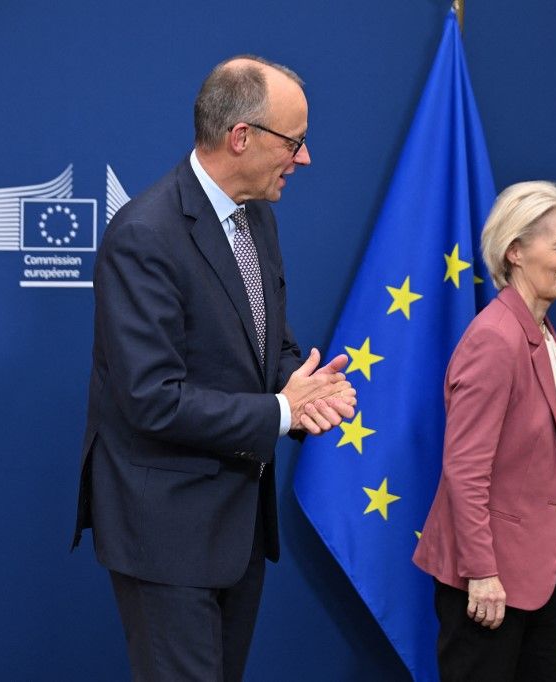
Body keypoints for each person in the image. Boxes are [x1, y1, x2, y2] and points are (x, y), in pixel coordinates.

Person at [71, 55, 357, 681]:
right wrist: (284, 409)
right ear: (241, 137)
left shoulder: (258, 217)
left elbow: (267, 349)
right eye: (296, 142)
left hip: (235, 527)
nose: (304, 159)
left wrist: (307, 392)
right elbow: (152, 398)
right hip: (166, 531)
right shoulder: (144, 235)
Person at [412, 181, 556, 681]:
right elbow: (465, 469)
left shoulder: (540, 330)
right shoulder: (496, 340)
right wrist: (481, 573)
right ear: (515, 251)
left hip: (532, 576)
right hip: (490, 583)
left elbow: (524, 444)